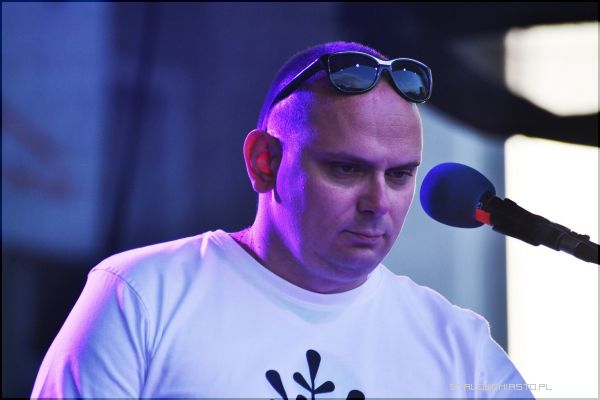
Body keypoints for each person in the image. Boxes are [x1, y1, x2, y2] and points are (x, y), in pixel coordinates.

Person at [32, 41, 533, 399]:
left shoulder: (461, 347)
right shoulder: (142, 294)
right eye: (346, 169)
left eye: (400, 175)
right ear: (264, 163)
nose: (378, 202)